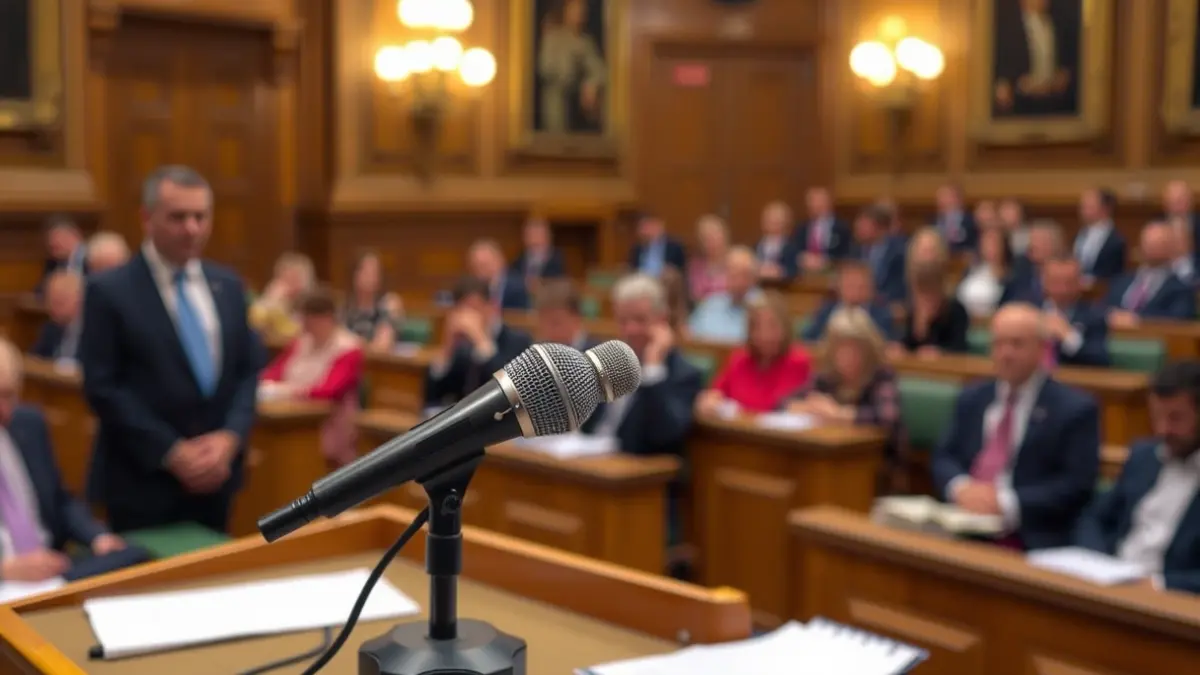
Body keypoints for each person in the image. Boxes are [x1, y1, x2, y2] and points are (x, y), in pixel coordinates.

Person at [79, 165, 263, 533]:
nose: (192, 228)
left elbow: (247, 372)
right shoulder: (110, 291)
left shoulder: (226, 285)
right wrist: (171, 451)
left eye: (200, 216)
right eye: (178, 217)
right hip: (142, 481)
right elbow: (102, 386)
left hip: (217, 479)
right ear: (147, 218)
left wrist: (230, 438)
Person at [931, 304, 1100, 551]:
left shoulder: (1074, 409)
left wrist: (1005, 502)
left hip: (1027, 534)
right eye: (998, 344)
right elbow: (944, 456)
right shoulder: (972, 398)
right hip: (961, 519)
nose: (1006, 353)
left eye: (1017, 344)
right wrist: (961, 487)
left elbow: (1076, 486)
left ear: (1042, 349)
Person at [0, 338, 147, 582]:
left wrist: (97, 537)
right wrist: (5, 569)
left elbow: (60, 500)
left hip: (55, 572)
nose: (3, 409)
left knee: (135, 560)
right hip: (6, 586)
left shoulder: (28, 424)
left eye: (8, 396)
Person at [1073, 362, 1200, 594]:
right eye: (1157, 417)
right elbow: (1094, 517)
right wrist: (1097, 564)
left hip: (1171, 603)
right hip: (1112, 582)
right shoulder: (1144, 455)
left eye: (1176, 419)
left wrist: (1160, 585)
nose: (1163, 430)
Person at [787, 307, 906, 493]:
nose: (847, 355)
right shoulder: (827, 378)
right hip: (827, 464)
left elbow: (887, 420)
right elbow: (784, 403)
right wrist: (808, 407)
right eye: (840, 348)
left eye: (854, 348)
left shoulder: (882, 377)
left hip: (876, 475)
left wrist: (840, 415)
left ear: (868, 349)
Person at [581, 274, 702, 456]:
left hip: (640, 472)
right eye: (623, 321)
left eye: (640, 320)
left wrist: (653, 368)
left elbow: (665, 435)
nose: (630, 329)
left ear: (662, 320)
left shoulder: (683, 373)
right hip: (591, 461)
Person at [259, 288, 364, 468]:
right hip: (289, 417)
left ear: (326, 318)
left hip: (329, 425)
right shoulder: (301, 342)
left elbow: (331, 391)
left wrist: (288, 391)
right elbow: (273, 373)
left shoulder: (349, 349)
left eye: (310, 320)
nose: (305, 325)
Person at [424, 277, 533, 407]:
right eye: (462, 311)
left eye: (474, 308)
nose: (468, 317)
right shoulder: (462, 346)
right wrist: (447, 348)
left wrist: (481, 340)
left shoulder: (518, 341)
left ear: (493, 306)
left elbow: (507, 391)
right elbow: (433, 396)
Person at [695, 292, 811, 415]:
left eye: (772, 326)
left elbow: (779, 406)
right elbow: (715, 393)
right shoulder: (739, 359)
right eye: (757, 327)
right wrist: (709, 401)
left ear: (785, 328)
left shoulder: (798, 362)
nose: (764, 335)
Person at [992, 0, 1080, 117]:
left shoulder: (1062, 23)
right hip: (1020, 105)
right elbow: (997, 67)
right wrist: (1008, 85)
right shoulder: (1005, 27)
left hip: (1056, 104)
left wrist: (1065, 76)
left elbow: (1075, 61)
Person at [1105, 221, 1196, 326]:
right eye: (1148, 243)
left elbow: (1179, 320)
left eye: (1158, 244)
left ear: (1172, 248)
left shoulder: (1181, 290)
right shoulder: (1121, 281)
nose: (1151, 248)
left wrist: (1137, 319)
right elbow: (1103, 309)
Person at [895, 228, 969, 356]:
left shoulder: (955, 309)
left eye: (930, 251)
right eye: (922, 252)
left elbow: (960, 350)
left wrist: (941, 354)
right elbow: (905, 343)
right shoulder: (906, 306)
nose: (926, 259)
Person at [537, 0, 606, 134]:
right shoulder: (553, 37)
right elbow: (544, 68)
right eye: (575, 10)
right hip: (556, 100)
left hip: (579, 103)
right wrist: (568, 70)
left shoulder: (585, 42)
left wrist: (590, 85)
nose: (579, 14)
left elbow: (599, 70)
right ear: (566, 11)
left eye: (582, 10)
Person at [1039, 256, 1108, 367]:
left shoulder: (1094, 316)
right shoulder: (1027, 312)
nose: (1062, 289)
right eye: (1056, 282)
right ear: (1044, 283)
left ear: (1080, 283)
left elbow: (1100, 359)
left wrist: (1068, 336)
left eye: (1069, 283)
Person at [802, 262, 897, 341]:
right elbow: (809, 337)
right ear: (839, 288)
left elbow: (887, 344)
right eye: (850, 286)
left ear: (870, 289)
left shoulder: (882, 315)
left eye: (861, 287)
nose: (855, 292)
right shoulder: (826, 311)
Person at [688, 247, 761, 343]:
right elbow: (689, 334)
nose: (737, 281)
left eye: (743, 274)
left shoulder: (762, 307)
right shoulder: (711, 303)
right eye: (732, 274)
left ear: (753, 278)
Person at [956, 225, 1026, 318]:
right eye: (986, 243)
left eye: (994, 243)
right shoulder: (970, 270)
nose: (989, 247)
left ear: (1004, 245)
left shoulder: (1011, 277)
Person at [343, 251, 404, 351]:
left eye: (375, 272)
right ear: (355, 275)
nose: (371, 277)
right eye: (366, 271)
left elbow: (382, 347)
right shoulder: (345, 308)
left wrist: (354, 343)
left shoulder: (388, 305)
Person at [248, 252, 315, 342]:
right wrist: (271, 301)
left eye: (296, 279)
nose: (292, 286)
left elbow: (296, 334)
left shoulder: (314, 304)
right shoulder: (271, 302)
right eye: (287, 279)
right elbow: (254, 326)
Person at [850, 205, 907, 303]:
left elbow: (899, 287)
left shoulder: (898, 253)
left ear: (879, 227)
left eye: (864, 224)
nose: (857, 227)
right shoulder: (854, 251)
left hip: (887, 305)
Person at [1074, 188, 1127, 283]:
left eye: (1088, 206)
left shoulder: (1116, 241)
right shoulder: (1079, 235)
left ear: (1105, 209)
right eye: (1082, 206)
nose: (1082, 210)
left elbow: (1114, 273)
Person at [30, 271, 83, 363]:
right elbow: (34, 357)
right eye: (50, 302)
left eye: (59, 302)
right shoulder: (51, 328)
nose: (52, 308)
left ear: (79, 300)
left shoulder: (94, 330)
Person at [793, 188, 850, 271]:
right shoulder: (802, 228)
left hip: (833, 272)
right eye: (812, 202)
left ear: (829, 203)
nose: (815, 205)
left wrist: (827, 261)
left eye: (820, 202)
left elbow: (846, 254)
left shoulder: (842, 228)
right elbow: (795, 251)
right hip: (805, 273)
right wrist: (803, 258)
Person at [467, 239, 530, 311]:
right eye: (475, 267)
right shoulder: (471, 288)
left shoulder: (517, 286)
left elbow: (521, 315)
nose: (479, 272)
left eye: (484, 265)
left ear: (499, 261)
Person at [532, 280, 589, 349]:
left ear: (576, 320)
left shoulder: (595, 355)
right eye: (542, 323)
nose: (548, 331)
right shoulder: (535, 350)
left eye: (555, 323)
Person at [36, 216, 86, 295]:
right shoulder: (53, 263)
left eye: (56, 237)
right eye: (49, 238)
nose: (51, 243)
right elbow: (40, 291)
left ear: (74, 235)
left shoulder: (94, 258)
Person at [627, 212, 686, 277]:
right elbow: (632, 268)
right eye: (642, 228)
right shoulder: (637, 249)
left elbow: (682, 270)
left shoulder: (675, 246)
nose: (644, 232)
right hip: (642, 281)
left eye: (648, 227)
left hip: (665, 282)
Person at [687, 215, 730, 302]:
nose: (712, 242)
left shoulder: (735, 260)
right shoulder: (696, 265)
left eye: (715, 236)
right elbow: (695, 294)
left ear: (724, 237)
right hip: (705, 311)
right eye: (706, 239)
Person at [510, 217, 566, 282]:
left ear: (547, 237)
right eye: (530, 236)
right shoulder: (517, 262)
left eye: (538, 235)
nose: (534, 240)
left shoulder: (558, 260)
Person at [755, 201, 798, 280]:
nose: (774, 224)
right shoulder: (757, 246)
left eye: (777, 221)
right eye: (770, 221)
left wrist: (780, 272)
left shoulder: (791, 247)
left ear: (785, 223)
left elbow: (794, 271)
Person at [929, 184, 977, 252]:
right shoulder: (931, 222)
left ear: (958, 199)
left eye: (946, 197)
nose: (942, 201)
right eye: (939, 198)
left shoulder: (971, 221)